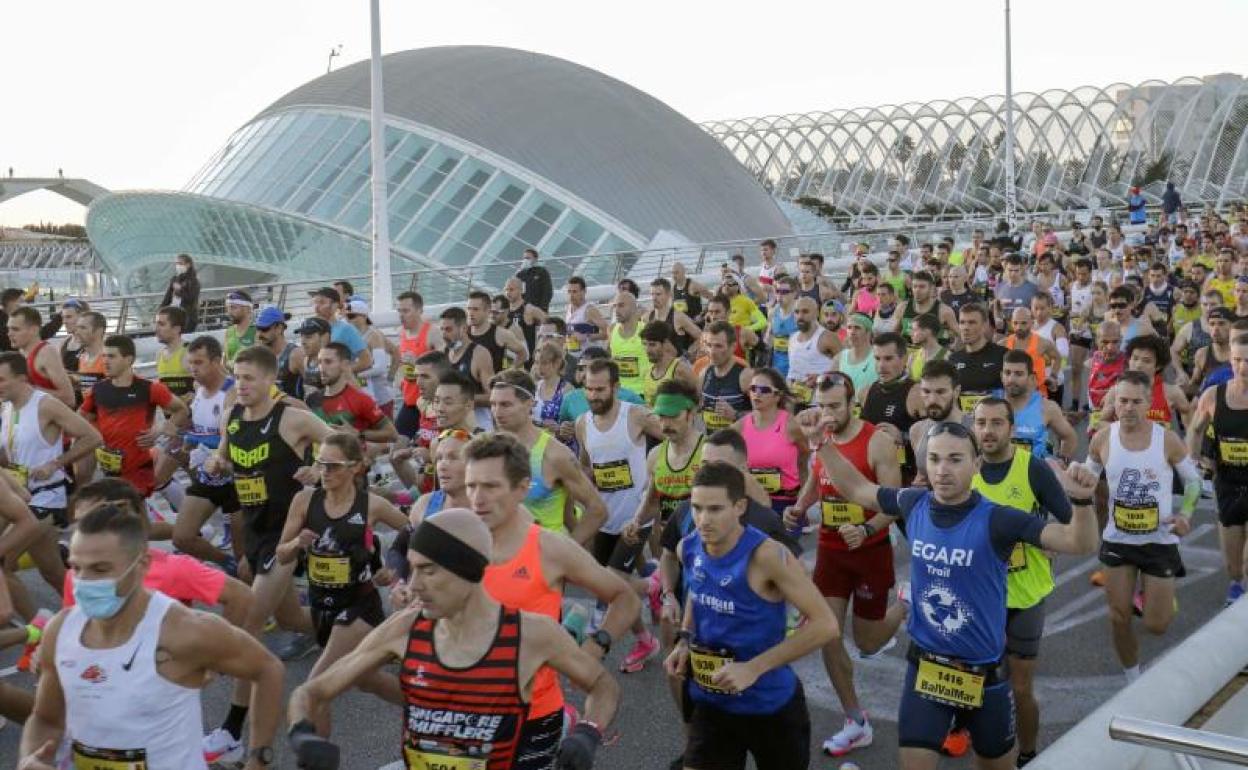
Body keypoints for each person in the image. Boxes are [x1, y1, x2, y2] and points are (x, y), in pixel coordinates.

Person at [815, 419, 1099, 769]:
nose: (942, 470)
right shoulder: (913, 502)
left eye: (954, 459)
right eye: (934, 459)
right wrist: (821, 444)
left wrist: (1082, 501)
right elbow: (858, 490)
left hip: (986, 678)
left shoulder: (999, 519)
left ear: (976, 464)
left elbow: (1078, 542)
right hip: (926, 670)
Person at [287, 510, 619, 770]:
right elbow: (312, 690)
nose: (413, 585)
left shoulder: (531, 635)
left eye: (428, 571)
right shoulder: (405, 628)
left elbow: (603, 685)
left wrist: (588, 732)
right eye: (413, 569)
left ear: (469, 571)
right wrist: (302, 733)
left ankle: (573, 630)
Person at [18, 504, 283, 770]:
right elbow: (46, 719)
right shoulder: (61, 630)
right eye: (76, 568)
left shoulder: (184, 631)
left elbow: (267, 669)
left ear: (142, 564)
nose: (84, 581)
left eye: (100, 569)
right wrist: (30, 756)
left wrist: (258, 759)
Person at [200, 345, 332, 762]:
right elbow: (225, 452)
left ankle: (233, 730)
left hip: (288, 532)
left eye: (249, 378)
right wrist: (220, 463)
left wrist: (320, 471)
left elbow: (346, 447)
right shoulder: (233, 415)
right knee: (291, 618)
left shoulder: (292, 418)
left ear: (271, 380)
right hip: (255, 531)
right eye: (237, 376)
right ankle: (351, 628)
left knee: (251, 620)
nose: (241, 384)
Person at [664, 461, 838, 770]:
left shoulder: (767, 556)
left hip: (770, 707)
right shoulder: (688, 548)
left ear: (740, 506)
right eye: (697, 508)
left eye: (715, 509)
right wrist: (685, 640)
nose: (703, 520)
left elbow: (826, 625)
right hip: (712, 704)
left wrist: (753, 668)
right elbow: (698, 592)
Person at [785, 372, 901, 758]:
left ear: (852, 403)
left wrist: (867, 529)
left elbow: (894, 502)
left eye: (836, 406)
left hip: (870, 552)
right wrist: (800, 507)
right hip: (831, 551)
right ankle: (855, 720)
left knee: (867, 642)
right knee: (828, 634)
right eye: (822, 406)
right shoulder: (822, 436)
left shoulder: (878, 442)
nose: (828, 415)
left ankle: (905, 606)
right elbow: (819, 478)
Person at [274, 434, 408, 733]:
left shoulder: (371, 504)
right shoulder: (305, 500)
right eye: (320, 463)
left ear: (356, 467)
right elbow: (282, 556)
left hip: (359, 607)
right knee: (363, 679)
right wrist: (297, 542)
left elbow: (414, 532)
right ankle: (427, 705)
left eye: (333, 466)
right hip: (321, 605)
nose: (325, 471)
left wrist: (393, 569)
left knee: (316, 687)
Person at [968, 397, 1075, 765]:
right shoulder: (966, 471)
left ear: (1011, 429)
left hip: (1026, 594)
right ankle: (987, 744)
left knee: (1020, 686)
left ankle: (1028, 754)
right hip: (980, 597)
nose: (988, 430)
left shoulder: (1032, 469)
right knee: (979, 681)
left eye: (997, 423)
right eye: (981, 423)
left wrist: (1052, 536)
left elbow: (1069, 517)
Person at [1087, 370, 1200, 682]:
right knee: (1118, 615)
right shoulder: (1103, 437)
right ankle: (1131, 676)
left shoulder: (1166, 439)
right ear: (1115, 402)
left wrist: (1186, 514)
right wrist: (1072, 477)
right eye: (1122, 400)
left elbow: (1192, 482)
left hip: (1159, 542)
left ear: (1149, 402)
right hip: (1118, 540)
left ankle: (1156, 596)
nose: (1128, 407)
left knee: (1156, 625)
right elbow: (1087, 475)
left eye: (1136, 401)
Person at [575, 358, 667, 673]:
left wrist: (660, 478)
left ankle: (655, 585)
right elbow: (588, 466)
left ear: (616, 387)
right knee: (610, 586)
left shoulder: (636, 416)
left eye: (600, 389)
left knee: (611, 587)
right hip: (605, 517)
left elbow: (676, 437)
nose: (593, 395)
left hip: (637, 515)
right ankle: (646, 629)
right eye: (588, 388)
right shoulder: (582, 423)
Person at [0, 350, 100, 615]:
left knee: (3, 563)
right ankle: (92, 613)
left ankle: (37, 629)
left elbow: (92, 437)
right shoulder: (7, 407)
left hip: (47, 496)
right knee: (52, 570)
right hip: (20, 495)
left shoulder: (45, 405)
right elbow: (8, 455)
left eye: (1, 379)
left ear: (22, 378)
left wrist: (55, 464)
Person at [490, 368, 607, 543]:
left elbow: (597, 510)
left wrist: (566, 552)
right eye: (493, 404)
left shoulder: (555, 455)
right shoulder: (488, 449)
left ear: (530, 403)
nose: (497, 412)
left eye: (506, 404)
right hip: (503, 554)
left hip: (544, 558)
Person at [80, 334, 189, 496]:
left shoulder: (149, 388)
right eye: (104, 356)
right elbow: (81, 420)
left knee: (128, 514)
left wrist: (159, 430)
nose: (105, 361)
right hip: (110, 470)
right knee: (132, 518)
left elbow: (182, 410)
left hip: (139, 470)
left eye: (111, 356)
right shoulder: (97, 390)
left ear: (128, 359)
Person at [1186, 332, 1248, 605]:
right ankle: (1237, 587)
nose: (1243, 367)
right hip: (1228, 485)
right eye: (1237, 360)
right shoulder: (1213, 396)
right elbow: (1195, 430)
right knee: (1234, 568)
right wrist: (1194, 462)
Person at [169, 336, 240, 569]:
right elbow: (196, 429)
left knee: (245, 558)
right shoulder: (198, 390)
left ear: (217, 361)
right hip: (208, 476)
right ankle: (225, 562)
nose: (192, 368)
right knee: (182, 537)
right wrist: (182, 443)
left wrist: (192, 439)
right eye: (190, 362)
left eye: (199, 362)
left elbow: (228, 440)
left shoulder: (232, 392)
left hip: (235, 479)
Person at [737, 368, 806, 516]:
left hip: (786, 504)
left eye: (764, 390)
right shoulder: (741, 425)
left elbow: (806, 461)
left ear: (777, 396)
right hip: (752, 502)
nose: (757, 393)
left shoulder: (791, 425)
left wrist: (802, 503)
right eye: (753, 388)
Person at [305, 342, 399, 444]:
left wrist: (359, 434)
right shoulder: (312, 399)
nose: (321, 368)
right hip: (319, 459)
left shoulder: (360, 400)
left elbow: (392, 434)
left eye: (328, 362)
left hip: (351, 458)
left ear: (344, 365)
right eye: (319, 362)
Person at [860, 332, 922, 480]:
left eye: (888, 359)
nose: (881, 365)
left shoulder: (917, 393)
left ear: (904, 358)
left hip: (905, 478)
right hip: (871, 478)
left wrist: (904, 438)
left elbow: (935, 441)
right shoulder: (866, 392)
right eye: (877, 358)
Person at [998, 349, 1077, 460]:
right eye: (1007, 373)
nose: (1011, 379)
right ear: (1002, 376)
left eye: (1018, 374)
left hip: (1034, 475)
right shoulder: (990, 405)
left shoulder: (1046, 407)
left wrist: (1061, 462)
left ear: (1031, 378)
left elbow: (1069, 437)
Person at [395, 291, 441, 438]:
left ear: (420, 310)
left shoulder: (433, 332)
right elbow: (402, 361)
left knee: (428, 447)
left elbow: (447, 365)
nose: (402, 315)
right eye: (399, 311)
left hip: (430, 402)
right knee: (396, 443)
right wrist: (399, 379)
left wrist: (419, 363)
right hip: (409, 399)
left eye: (406, 311)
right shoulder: (401, 332)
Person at [440, 306, 495, 427]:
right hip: (450, 421)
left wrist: (461, 400)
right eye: (442, 329)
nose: (444, 335)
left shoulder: (479, 354)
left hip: (477, 422)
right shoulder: (443, 352)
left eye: (448, 330)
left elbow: (493, 396)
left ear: (463, 328)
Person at [8, 306, 74, 407]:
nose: (9, 334)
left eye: (15, 329)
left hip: (50, 419)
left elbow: (69, 398)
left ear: (34, 330)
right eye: (9, 329)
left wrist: (28, 389)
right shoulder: (20, 353)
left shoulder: (46, 352)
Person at [344, 296, 397, 417]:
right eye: (346, 316)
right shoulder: (351, 336)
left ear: (363, 316)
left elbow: (380, 367)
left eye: (352, 316)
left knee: (385, 433)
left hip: (380, 396)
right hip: (362, 394)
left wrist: (352, 373)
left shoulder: (373, 335)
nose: (348, 320)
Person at [951, 303, 1008, 414]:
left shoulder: (1002, 355)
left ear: (985, 325)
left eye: (972, 322)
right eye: (962, 322)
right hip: (962, 426)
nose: (965, 327)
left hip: (993, 423)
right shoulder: (953, 359)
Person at [699, 321, 753, 433]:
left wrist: (735, 415)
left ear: (733, 347)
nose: (712, 352)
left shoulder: (745, 376)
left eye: (718, 346)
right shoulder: (704, 373)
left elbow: (767, 415)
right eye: (709, 345)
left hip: (738, 446)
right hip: (712, 445)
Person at [787, 296, 840, 405]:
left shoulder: (828, 338)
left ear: (816, 313)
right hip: (796, 403)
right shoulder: (792, 338)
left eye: (805, 312)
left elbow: (846, 373)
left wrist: (822, 378)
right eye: (796, 312)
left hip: (821, 405)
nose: (800, 316)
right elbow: (792, 373)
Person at [307, 287, 373, 374]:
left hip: (340, 385)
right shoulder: (311, 329)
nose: (316, 307)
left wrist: (339, 373)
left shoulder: (345, 329)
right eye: (314, 302)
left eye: (322, 302)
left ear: (335, 305)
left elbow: (366, 361)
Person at [641, 321, 698, 407]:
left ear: (665, 344)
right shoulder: (647, 370)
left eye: (652, 345)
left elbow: (698, 398)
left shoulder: (680, 370)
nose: (647, 350)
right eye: (645, 344)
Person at [468, 290, 527, 372]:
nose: (492, 315)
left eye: (496, 312)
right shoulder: (464, 331)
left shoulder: (513, 330)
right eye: (469, 309)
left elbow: (522, 355)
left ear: (506, 311)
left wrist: (506, 374)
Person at [609, 290, 651, 396]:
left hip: (643, 392)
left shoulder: (647, 329)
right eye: (615, 306)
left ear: (634, 308)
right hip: (620, 392)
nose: (617, 310)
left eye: (621, 306)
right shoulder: (611, 329)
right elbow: (612, 358)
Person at [647, 278, 702, 357]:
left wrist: (689, 353)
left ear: (668, 295)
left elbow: (702, 337)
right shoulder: (648, 316)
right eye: (652, 294)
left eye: (658, 294)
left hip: (675, 365)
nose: (654, 298)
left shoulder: (678, 317)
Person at [254, 305, 300, 399]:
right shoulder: (258, 355)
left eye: (264, 329)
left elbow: (311, 392)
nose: (259, 334)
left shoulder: (295, 354)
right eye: (257, 329)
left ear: (279, 328)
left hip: (290, 410)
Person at [831, 312, 877, 401]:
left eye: (857, 328)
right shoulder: (839, 357)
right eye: (849, 328)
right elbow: (831, 386)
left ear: (868, 332)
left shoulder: (878, 357)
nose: (852, 332)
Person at [154, 305, 194, 401]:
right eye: (156, 324)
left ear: (177, 329)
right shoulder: (159, 355)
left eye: (162, 324)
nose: (156, 329)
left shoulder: (189, 352)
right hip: (170, 415)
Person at [565, 276, 609, 357]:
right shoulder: (568, 308)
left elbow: (608, 333)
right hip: (573, 356)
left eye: (574, 292)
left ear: (584, 291)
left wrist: (586, 336)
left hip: (589, 359)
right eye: (569, 292)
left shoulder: (590, 310)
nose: (571, 295)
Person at [503, 276, 548, 357]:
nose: (508, 293)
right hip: (509, 358)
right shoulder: (504, 311)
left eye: (511, 290)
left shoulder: (528, 309)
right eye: (506, 290)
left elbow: (550, 323)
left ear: (520, 290)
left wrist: (542, 344)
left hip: (526, 359)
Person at [159, 253, 201, 332]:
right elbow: (167, 297)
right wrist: (161, 309)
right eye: (177, 263)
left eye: (180, 263)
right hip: (174, 315)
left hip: (188, 317)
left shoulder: (193, 281)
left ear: (188, 265)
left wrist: (180, 290)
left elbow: (191, 298)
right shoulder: (175, 279)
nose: (178, 266)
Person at [223, 291, 258, 369]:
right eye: (228, 308)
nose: (229, 312)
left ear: (248, 309)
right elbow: (224, 363)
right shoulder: (229, 332)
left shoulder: (257, 332)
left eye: (233, 308)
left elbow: (259, 362)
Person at [517, 246, 554, 311]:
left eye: (528, 258)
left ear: (535, 259)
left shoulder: (542, 272)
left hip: (539, 308)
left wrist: (543, 307)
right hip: (524, 309)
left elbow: (547, 291)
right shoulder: (520, 274)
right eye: (524, 258)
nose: (525, 260)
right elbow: (518, 292)